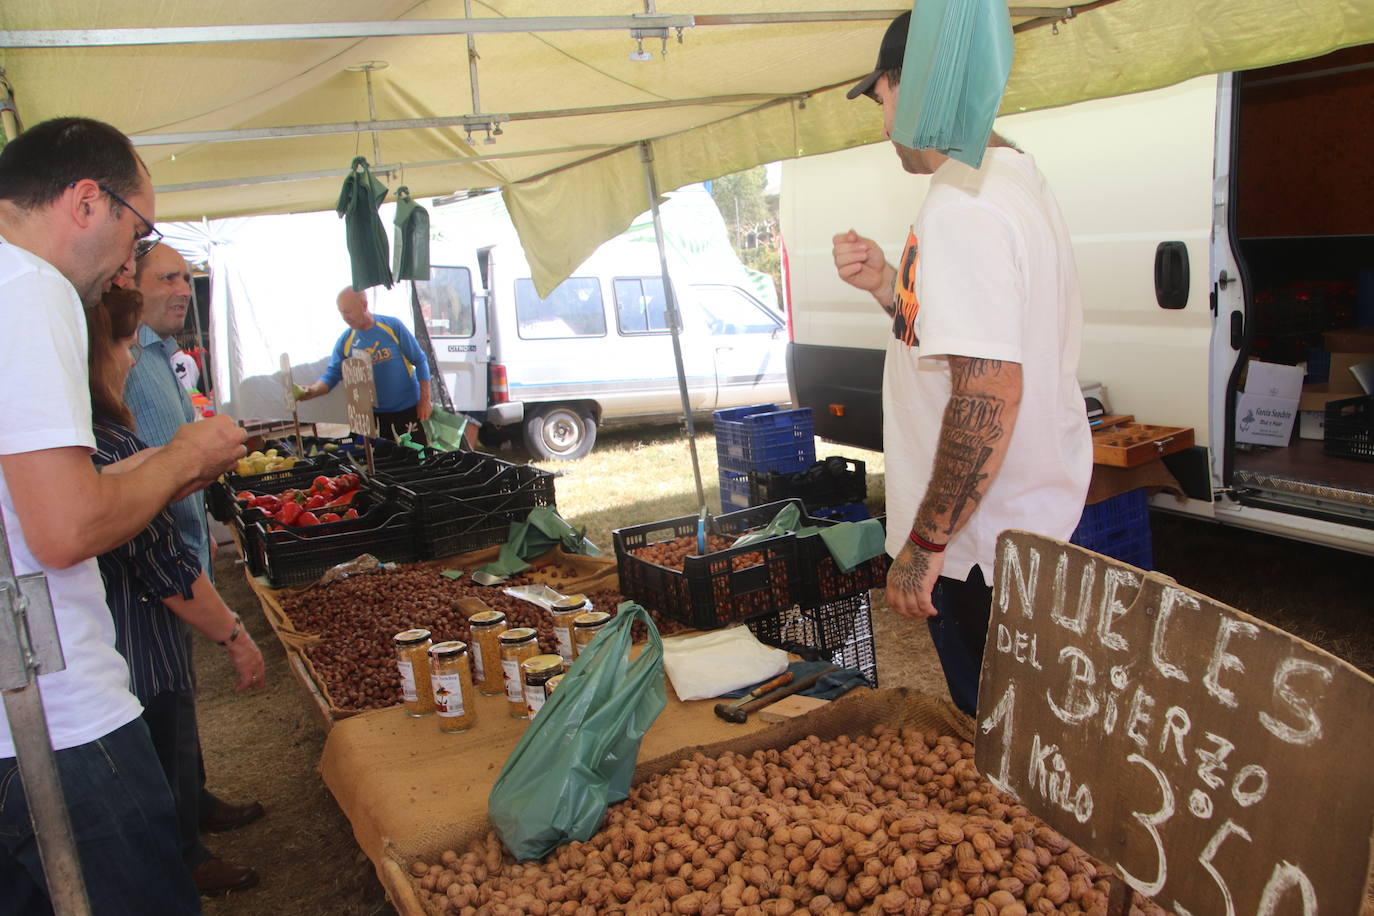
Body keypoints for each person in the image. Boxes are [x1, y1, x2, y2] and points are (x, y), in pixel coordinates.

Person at [0, 116, 246, 914]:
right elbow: (65, 528)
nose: (128, 266)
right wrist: (185, 460)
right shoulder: (26, 286)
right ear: (85, 202)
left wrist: (162, 459)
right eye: (138, 234)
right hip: (60, 721)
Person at [832, 12, 1092, 716]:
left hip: (983, 550)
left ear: (910, 88)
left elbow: (988, 391)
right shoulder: (1014, 177)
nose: (885, 127)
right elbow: (967, 348)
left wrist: (924, 541)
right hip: (1025, 527)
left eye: (883, 100)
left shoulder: (960, 206)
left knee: (1003, 747)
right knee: (1034, 745)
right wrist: (890, 287)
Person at [90, 286, 266, 896]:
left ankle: (187, 834)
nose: (131, 357)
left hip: (124, 639)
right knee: (162, 744)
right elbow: (161, 560)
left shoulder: (97, 441)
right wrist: (236, 635)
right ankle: (185, 857)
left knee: (171, 744)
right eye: (120, 344)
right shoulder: (106, 444)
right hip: (135, 642)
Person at [127, 245, 268, 842]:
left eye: (187, 277)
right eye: (168, 278)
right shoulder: (124, 359)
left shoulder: (161, 356)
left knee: (181, 695)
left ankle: (196, 799)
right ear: (128, 285)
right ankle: (183, 841)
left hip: (182, 550)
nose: (184, 289)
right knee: (163, 701)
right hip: (152, 563)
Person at [296, 287, 434, 443]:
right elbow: (332, 374)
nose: (345, 317)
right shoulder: (346, 340)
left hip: (408, 410)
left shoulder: (392, 326)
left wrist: (424, 400)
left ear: (364, 305)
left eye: (348, 311)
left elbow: (420, 360)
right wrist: (313, 390)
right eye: (341, 312)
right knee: (384, 462)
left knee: (419, 457)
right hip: (373, 416)